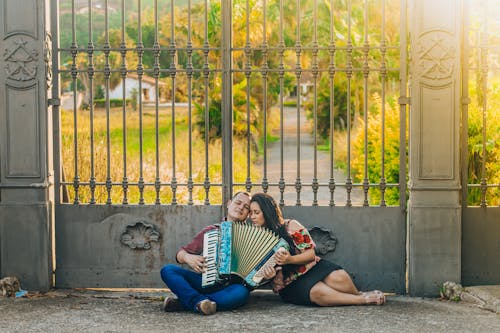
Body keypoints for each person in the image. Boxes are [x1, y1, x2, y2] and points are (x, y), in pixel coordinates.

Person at [249, 192, 386, 306]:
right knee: (318, 292)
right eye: (251, 213)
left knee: (340, 277)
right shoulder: (256, 238)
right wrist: (270, 275)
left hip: (310, 267)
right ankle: (361, 299)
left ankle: (356, 294)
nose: (252, 217)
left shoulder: (291, 226)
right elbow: (256, 273)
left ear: (267, 212)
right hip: (289, 283)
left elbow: (310, 255)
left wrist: (289, 259)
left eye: (256, 212)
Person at [160, 191, 252, 315]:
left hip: (230, 288)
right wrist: (188, 258)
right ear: (229, 204)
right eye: (238, 203)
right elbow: (180, 254)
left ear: (248, 214)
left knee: (242, 293)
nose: (241, 207)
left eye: (246, 207)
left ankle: (188, 303)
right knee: (168, 270)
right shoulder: (212, 230)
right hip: (204, 281)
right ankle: (199, 301)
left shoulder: (252, 236)